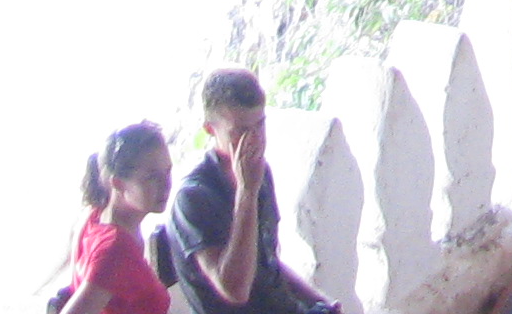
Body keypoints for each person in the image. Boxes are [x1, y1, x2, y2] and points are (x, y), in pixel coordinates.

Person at [170, 68, 339, 314]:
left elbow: (268, 263)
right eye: (240, 131)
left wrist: (323, 302)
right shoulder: (195, 197)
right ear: (210, 129)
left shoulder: (260, 171)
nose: (254, 140)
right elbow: (235, 291)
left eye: (260, 126)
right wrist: (246, 192)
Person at [62, 123, 172, 314]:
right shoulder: (116, 249)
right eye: (152, 177)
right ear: (118, 183)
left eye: (168, 171)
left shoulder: (95, 215)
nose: (166, 184)